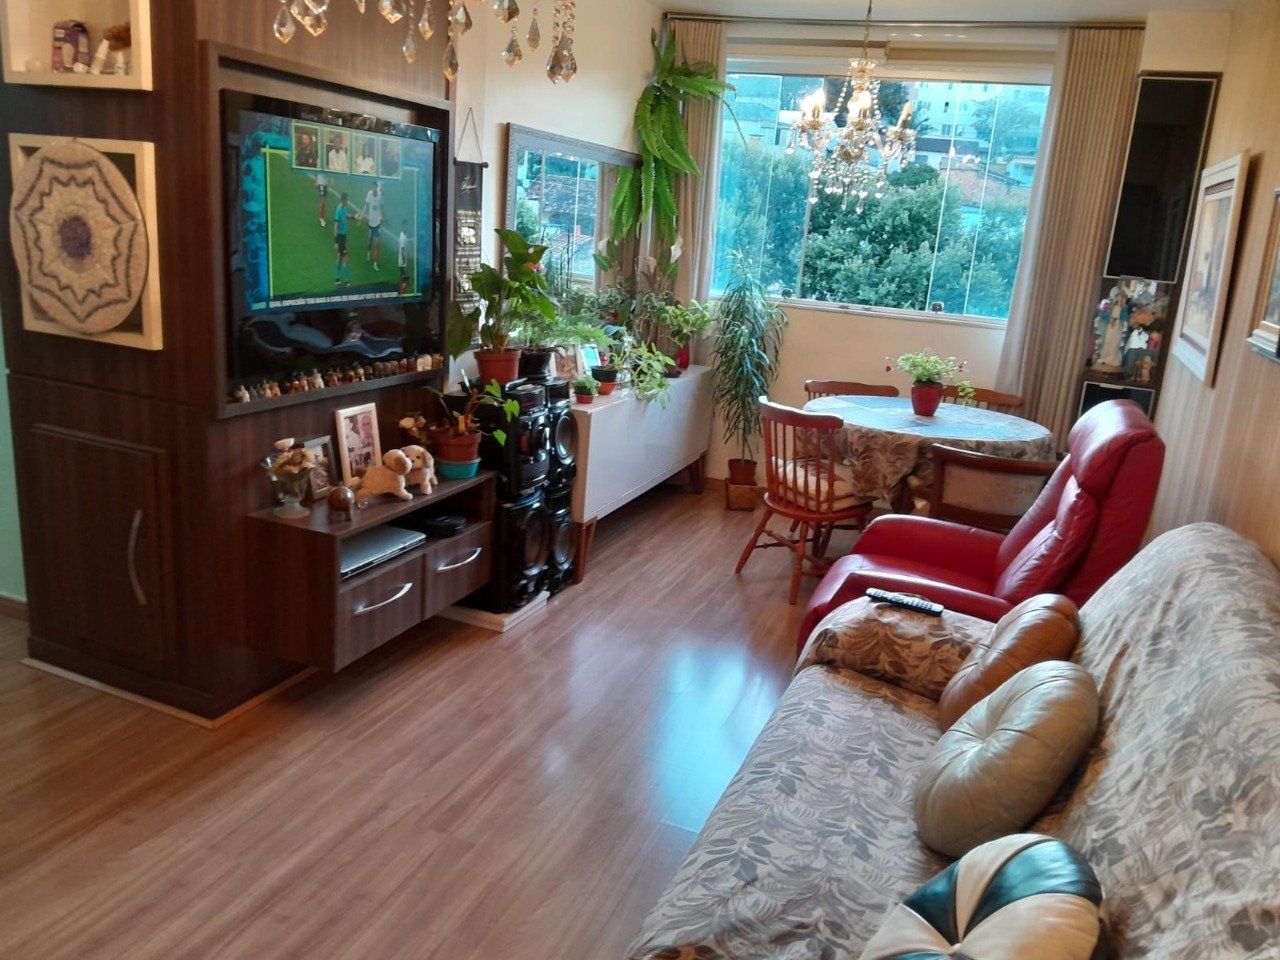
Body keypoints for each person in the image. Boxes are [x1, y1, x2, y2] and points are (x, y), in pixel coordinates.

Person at [357, 181, 385, 271]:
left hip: (377, 224)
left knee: (376, 244)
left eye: (375, 187)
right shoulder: (369, 194)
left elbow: (382, 206)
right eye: (373, 187)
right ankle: (368, 252)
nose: (374, 189)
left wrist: (383, 217)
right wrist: (361, 218)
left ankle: (375, 264)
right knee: (370, 242)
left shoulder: (380, 195)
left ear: (377, 187)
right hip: (370, 223)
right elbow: (366, 206)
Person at [333, 191, 355, 287]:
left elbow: (346, 216)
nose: (347, 201)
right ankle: (346, 281)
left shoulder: (343, 208)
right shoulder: (339, 210)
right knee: (345, 258)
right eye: (346, 200)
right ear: (343, 200)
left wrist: (354, 217)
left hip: (343, 236)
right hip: (340, 238)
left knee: (339, 257)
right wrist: (336, 242)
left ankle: (337, 279)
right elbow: (335, 226)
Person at [397, 219, 411, 294]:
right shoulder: (402, 237)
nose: (407, 227)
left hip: (403, 261)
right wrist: (404, 262)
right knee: (405, 278)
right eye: (406, 225)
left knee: (404, 278)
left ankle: (402, 292)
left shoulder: (404, 235)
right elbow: (402, 250)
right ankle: (402, 292)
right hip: (402, 262)